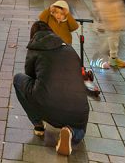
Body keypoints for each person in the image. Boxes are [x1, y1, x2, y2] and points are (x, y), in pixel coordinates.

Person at [13, 21, 89, 156]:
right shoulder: (69, 48)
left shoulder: (35, 49)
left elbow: (30, 76)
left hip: (48, 106)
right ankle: (71, 133)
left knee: (18, 79)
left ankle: (38, 124)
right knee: (81, 128)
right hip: (79, 109)